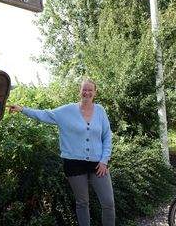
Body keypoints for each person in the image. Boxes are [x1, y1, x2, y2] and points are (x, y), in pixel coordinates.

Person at [8, 79, 115, 226]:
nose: (87, 92)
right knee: (82, 203)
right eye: (84, 89)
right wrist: (22, 109)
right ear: (80, 91)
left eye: (90, 90)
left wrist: (104, 160)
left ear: (95, 93)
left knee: (108, 202)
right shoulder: (67, 111)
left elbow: (107, 137)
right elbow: (44, 115)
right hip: (74, 163)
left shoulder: (101, 111)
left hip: (98, 163)